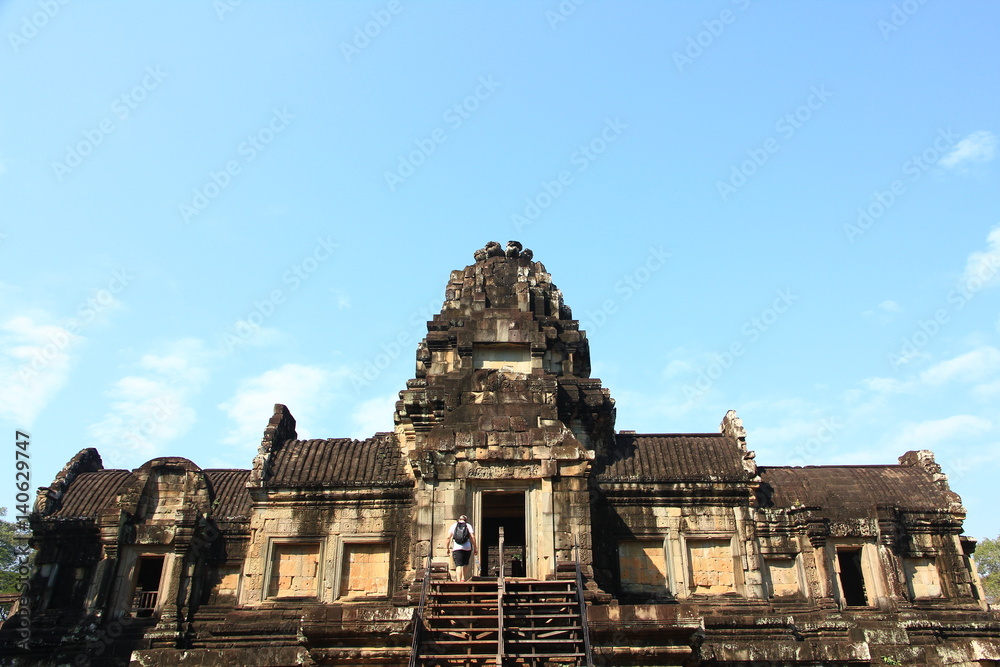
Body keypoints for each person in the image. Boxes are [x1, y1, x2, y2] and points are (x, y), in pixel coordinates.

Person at [446, 515, 477, 581]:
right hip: (467, 547)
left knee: (458, 565)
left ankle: (458, 581)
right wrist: (475, 547)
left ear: (459, 519)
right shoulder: (468, 526)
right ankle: (464, 578)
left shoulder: (454, 526)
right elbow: (472, 537)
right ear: (466, 520)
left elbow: (448, 537)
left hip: (457, 547)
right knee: (465, 563)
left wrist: (447, 548)